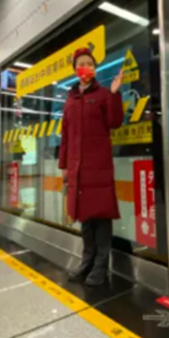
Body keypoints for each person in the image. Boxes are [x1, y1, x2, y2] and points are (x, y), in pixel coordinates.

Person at [59, 47, 124, 286]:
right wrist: (64, 166)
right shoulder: (70, 100)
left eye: (89, 64)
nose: (85, 67)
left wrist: (115, 94)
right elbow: (65, 136)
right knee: (85, 218)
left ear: (94, 69)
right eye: (81, 64)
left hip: (99, 166)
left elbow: (115, 122)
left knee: (102, 217)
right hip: (77, 168)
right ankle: (86, 261)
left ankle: (101, 266)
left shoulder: (104, 94)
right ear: (75, 69)